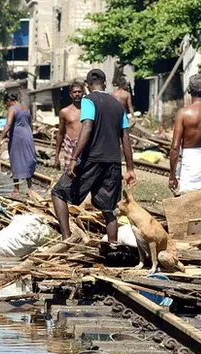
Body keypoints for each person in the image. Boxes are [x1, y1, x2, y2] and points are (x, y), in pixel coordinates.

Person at [51, 69, 137, 241]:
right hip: (113, 161)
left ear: (88, 86)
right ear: (105, 82)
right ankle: (113, 246)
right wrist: (130, 168)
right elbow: (125, 138)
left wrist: (74, 158)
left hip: (92, 159)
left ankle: (67, 239)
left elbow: (87, 128)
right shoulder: (118, 105)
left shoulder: (89, 100)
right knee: (110, 208)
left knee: (58, 193)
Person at [0, 93, 37, 198]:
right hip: (27, 134)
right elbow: (30, 124)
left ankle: (16, 189)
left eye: (6, 103)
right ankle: (30, 188)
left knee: (15, 160)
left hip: (17, 136)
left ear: (8, 100)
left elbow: (8, 124)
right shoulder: (25, 108)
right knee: (28, 159)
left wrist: (1, 137)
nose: (6, 106)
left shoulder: (12, 108)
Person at [55, 80, 84, 171]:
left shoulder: (88, 110)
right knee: (70, 175)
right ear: (70, 94)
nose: (77, 94)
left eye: (79, 92)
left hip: (85, 146)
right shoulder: (65, 112)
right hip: (70, 147)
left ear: (83, 93)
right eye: (74, 92)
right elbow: (60, 133)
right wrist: (57, 156)